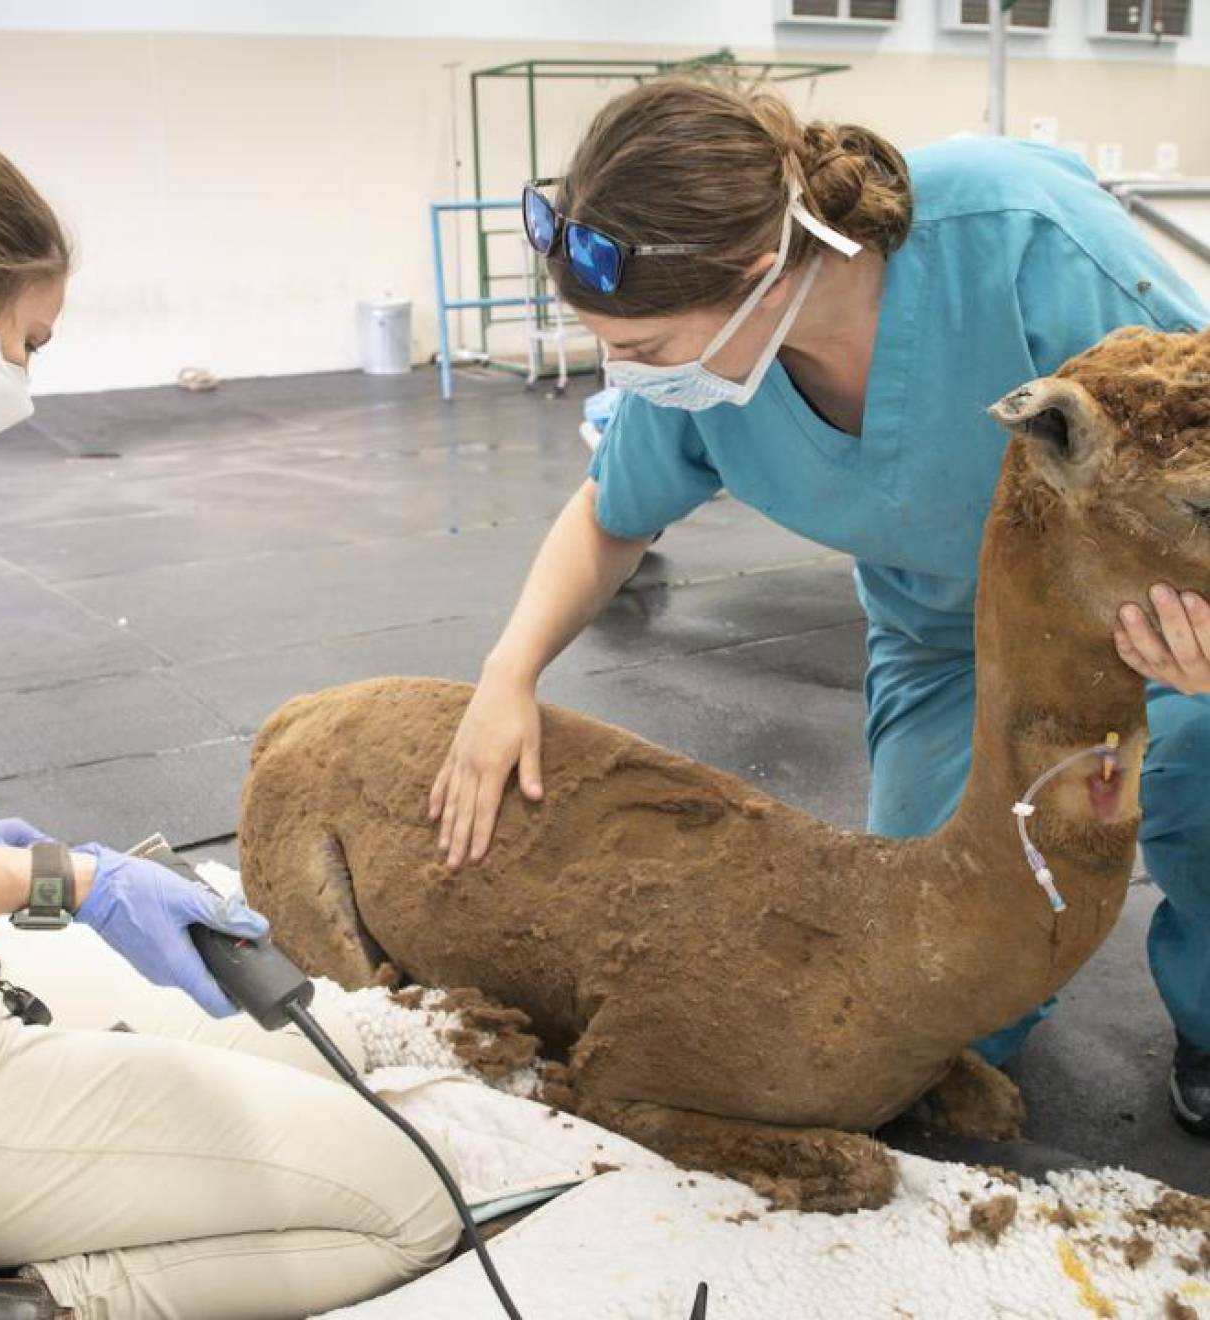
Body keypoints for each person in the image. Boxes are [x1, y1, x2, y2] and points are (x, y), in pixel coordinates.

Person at [429, 81, 1210, 1136]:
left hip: (1147, 625)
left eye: (645, 349)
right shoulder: (703, 373)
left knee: (1197, 788)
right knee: (939, 967)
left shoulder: (1019, 238)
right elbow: (611, 515)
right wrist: (507, 676)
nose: (624, 376)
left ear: (760, 278)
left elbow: (1194, 427)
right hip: (945, 640)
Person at [0, 129, 459, 1320]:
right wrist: (60, 881)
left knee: (325, 1057)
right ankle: (8, 1306)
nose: (26, 381)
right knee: (411, 1205)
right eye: (26, 342)